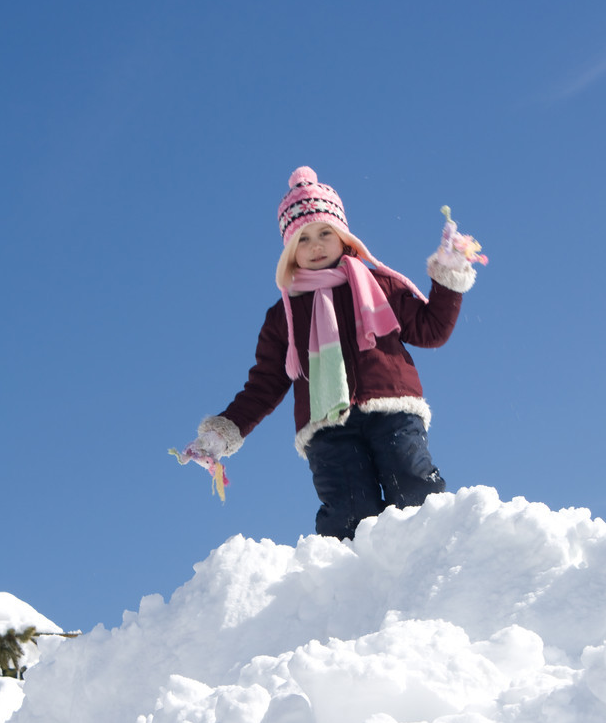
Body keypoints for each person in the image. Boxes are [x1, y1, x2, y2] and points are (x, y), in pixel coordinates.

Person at [194, 166, 483, 541]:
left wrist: (449, 276)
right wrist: (224, 431)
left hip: (392, 412)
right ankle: (350, 586)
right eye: (303, 239)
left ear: (343, 236)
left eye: (324, 233)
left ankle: (438, 555)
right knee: (349, 510)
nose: (315, 245)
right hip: (327, 428)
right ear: (289, 252)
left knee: (412, 487)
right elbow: (266, 384)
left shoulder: (382, 285)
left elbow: (431, 330)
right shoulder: (284, 316)